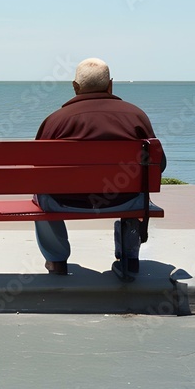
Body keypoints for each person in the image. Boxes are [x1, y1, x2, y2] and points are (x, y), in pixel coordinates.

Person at [33, 57, 165, 279]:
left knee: (40, 192)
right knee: (138, 188)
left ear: (75, 87)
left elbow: (38, 170)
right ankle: (129, 258)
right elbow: (157, 165)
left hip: (65, 201)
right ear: (110, 84)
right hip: (124, 199)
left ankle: (56, 261)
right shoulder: (136, 116)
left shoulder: (55, 120)